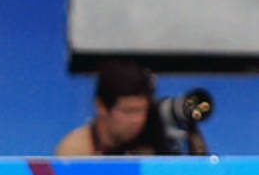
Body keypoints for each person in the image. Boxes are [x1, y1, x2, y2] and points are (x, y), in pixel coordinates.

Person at [55, 60, 208, 155]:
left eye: (143, 110)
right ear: (101, 106)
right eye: (128, 111)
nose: (137, 119)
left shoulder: (155, 133)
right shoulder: (75, 151)